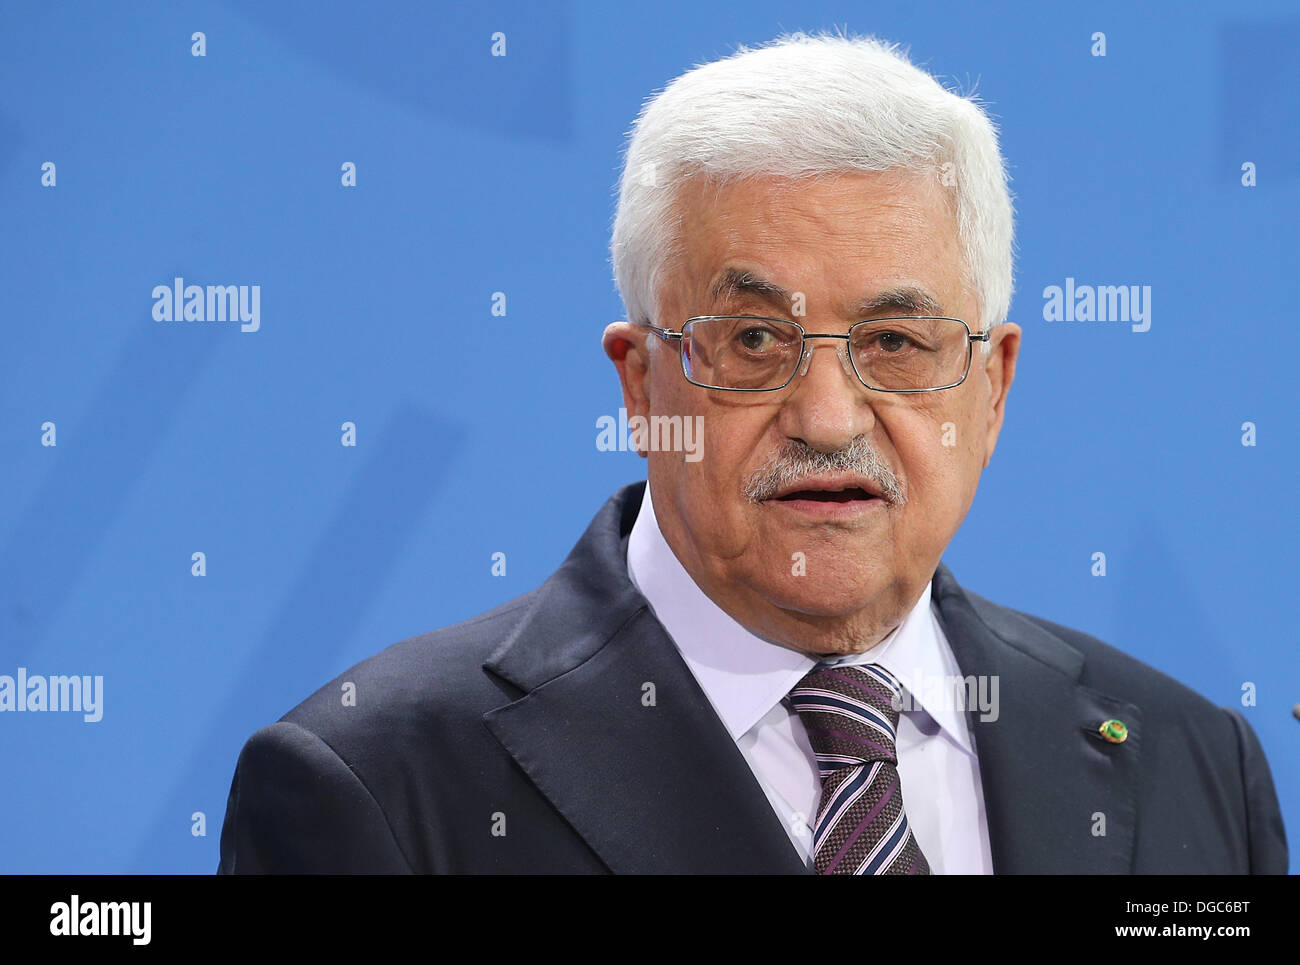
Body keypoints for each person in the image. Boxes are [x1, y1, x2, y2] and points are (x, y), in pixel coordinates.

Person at [218, 33, 1287, 874]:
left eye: (895, 344)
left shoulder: (1185, 763)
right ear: (641, 384)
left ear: (993, 386)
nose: (827, 416)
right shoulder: (379, 784)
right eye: (754, 342)